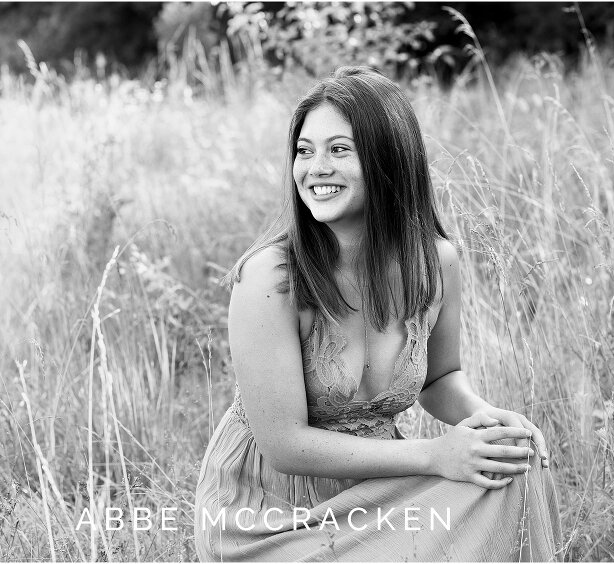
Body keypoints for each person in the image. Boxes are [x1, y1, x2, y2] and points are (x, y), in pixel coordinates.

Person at [193, 66, 562, 562]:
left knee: (512, 468)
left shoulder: (435, 262)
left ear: (389, 159)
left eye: (339, 150)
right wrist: (436, 455)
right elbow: (284, 444)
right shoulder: (270, 276)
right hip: (271, 511)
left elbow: (440, 379)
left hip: (378, 485)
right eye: (305, 150)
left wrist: (488, 421)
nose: (315, 167)